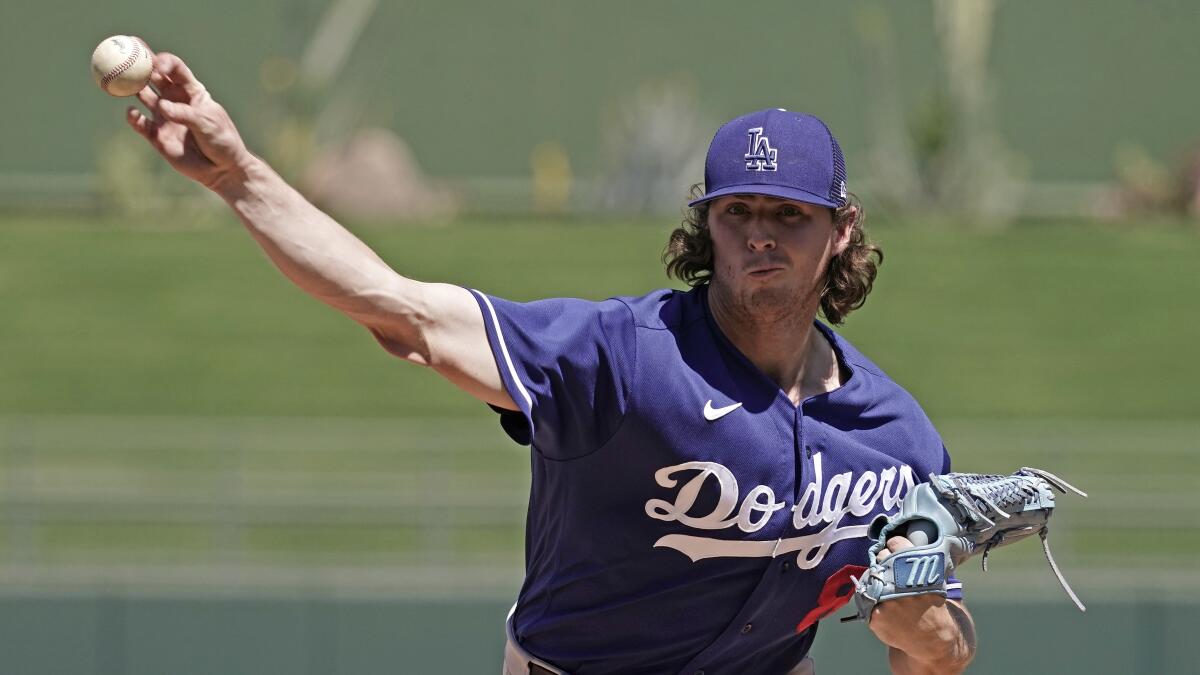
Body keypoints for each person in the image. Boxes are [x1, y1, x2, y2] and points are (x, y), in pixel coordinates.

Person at [126, 52, 977, 675]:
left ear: (840, 230)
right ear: (705, 226)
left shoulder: (896, 436)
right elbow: (403, 311)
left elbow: (934, 653)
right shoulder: (619, 358)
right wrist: (239, 175)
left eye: (788, 214)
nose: (759, 233)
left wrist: (928, 631)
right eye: (737, 210)